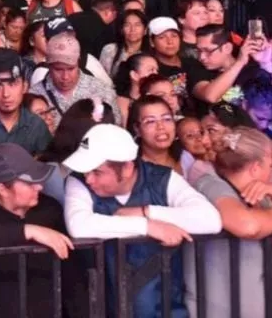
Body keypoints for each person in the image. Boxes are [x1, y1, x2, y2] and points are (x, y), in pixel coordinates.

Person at [62, 123, 223, 318]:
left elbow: (210, 219)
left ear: (127, 168)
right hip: (105, 308)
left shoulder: (161, 178)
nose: (88, 179)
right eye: (86, 172)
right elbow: (79, 225)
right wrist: (147, 226)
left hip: (165, 306)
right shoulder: (77, 181)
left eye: (97, 172)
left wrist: (146, 212)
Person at [185, 127, 272, 318]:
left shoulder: (264, 197)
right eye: (271, 165)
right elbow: (247, 226)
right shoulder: (210, 184)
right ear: (255, 167)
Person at [0, 143, 84, 318]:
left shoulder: (50, 209)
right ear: (2, 189)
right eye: (29, 182)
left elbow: (71, 274)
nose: (39, 186)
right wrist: (29, 231)